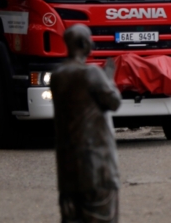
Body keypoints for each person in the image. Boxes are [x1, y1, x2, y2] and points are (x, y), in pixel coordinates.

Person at [51, 24, 122, 223]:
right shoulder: (91, 73)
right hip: (96, 163)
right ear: (84, 43)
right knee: (102, 216)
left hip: (67, 162)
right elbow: (113, 102)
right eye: (90, 39)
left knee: (72, 216)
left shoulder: (57, 75)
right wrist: (110, 80)